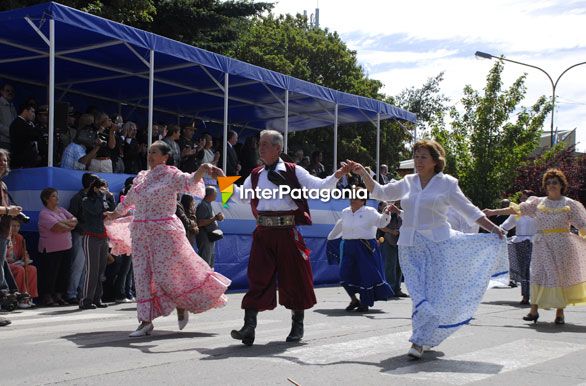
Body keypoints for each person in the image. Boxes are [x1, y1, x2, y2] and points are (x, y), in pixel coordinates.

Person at [347, 139, 507, 359]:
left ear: (435, 161)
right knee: (417, 292)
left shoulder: (447, 184)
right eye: (416, 156)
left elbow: (469, 210)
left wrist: (494, 228)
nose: (418, 161)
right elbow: (380, 192)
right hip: (409, 244)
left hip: (437, 245)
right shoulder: (408, 181)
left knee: (432, 294)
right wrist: (364, 173)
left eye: (423, 157)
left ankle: (420, 340)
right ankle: (423, 335)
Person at [226, 129, 350, 346]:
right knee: (257, 277)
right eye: (260, 144)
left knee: (295, 278)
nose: (260, 148)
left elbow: (320, 187)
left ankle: (297, 325)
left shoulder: (294, 171)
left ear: (278, 148)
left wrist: (338, 175)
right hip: (263, 232)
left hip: (288, 232)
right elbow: (240, 198)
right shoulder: (255, 174)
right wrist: (222, 180)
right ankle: (249, 327)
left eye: (265, 144)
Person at [105, 140, 230, 337]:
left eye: (154, 152)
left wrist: (202, 169)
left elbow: (189, 182)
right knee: (141, 276)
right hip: (141, 233)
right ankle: (145, 321)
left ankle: (182, 303)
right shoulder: (142, 178)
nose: (150, 155)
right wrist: (114, 214)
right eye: (149, 152)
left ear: (165, 157)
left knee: (167, 274)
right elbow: (129, 201)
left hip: (164, 232)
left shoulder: (171, 174)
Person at [484, 169, 586, 324]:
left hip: (563, 245)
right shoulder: (538, 203)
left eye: (555, 182)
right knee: (537, 275)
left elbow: (582, 224)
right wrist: (493, 212)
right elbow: (517, 209)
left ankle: (560, 313)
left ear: (561, 185)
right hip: (542, 244)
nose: (552, 185)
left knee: (560, 278)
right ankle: (533, 311)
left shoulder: (569, 204)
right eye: (549, 183)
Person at [327, 185, 394, 312]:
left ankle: (364, 302)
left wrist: (386, 213)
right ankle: (354, 299)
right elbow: (340, 225)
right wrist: (330, 238)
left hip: (365, 247)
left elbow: (381, 223)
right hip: (349, 246)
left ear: (363, 200)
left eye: (356, 197)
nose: (352, 199)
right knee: (344, 274)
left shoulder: (370, 211)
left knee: (365, 275)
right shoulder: (345, 212)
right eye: (351, 196)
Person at [37, 188, 77, 306]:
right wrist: (67, 224)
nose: (57, 198)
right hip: (51, 249)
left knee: (63, 273)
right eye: (54, 196)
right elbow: (57, 227)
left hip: (66, 247)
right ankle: (47, 297)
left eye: (57, 195)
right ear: (46, 199)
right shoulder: (44, 213)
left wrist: (66, 224)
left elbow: (75, 220)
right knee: (50, 274)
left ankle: (59, 296)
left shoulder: (61, 210)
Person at [79, 178, 114, 309]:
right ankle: (85, 300)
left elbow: (112, 211)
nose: (104, 191)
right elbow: (96, 211)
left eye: (106, 188)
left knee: (100, 270)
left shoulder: (104, 199)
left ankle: (97, 298)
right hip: (91, 237)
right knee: (92, 270)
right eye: (102, 188)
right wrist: (102, 197)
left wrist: (110, 198)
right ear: (95, 188)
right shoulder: (86, 201)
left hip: (103, 237)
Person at [500, 190, 537, 305]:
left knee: (532, 270)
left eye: (525, 198)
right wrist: (496, 232)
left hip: (535, 243)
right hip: (520, 243)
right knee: (524, 270)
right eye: (521, 199)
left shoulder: (537, 212)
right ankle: (526, 295)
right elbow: (506, 225)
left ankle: (535, 295)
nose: (523, 201)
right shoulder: (518, 213)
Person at [0, 148, 23, 325]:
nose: (3, 163)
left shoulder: (3, 185)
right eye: (0, 160)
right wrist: (8, 210)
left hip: (3, 232)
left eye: (5, 160)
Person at [377, 201, 409, 298]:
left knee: (399, 266)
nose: (398, 202)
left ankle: (397, 289)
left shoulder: (403, 212)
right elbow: (380, 225)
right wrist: (391, 231)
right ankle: (389, 289)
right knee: (390, 265)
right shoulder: (385, 209)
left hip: (400, 241)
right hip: (387, 241)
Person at [6, 218, 38, 305]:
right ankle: (20, 297)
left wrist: (25, 258)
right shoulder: (3, 237)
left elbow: (23, 253)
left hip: (16, 263)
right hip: (5, 265)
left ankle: (30, 297)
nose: (16, 228)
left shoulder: (20, 238)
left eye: (18, 226)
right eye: (13, 226)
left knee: (32, 269)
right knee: (19, 269)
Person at [196, 187, 223, 268]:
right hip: (205, 237)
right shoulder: (203, 205)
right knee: (205, 261)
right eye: (215, 193)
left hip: (210, 238)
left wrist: (218, 218)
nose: (216, 195)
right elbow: (200, 223)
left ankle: (209, 279)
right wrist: (215, 218)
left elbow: (209, 219)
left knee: (210, 261)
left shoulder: (208, 204)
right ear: (210, 194)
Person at [0, 83, 17, 150]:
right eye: (7, 90)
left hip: (12, 142)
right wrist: (11, 132)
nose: (10, 93)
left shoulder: (12, 106)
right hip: (2, 141)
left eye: (12, 91)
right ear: (1, 91)